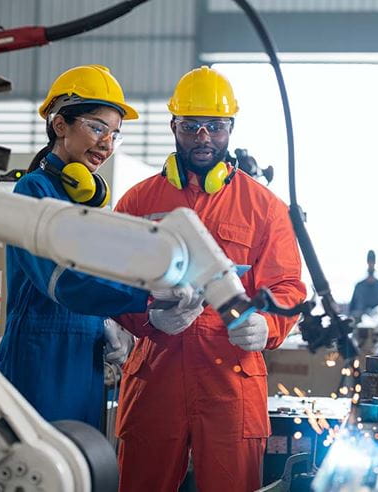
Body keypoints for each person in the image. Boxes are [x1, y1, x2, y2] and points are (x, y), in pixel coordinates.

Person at [113, 66, 306, 491]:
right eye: (192, 126)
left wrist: (267, 324)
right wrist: (147, 319)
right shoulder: (138, 201)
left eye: (215, 127)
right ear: (174, 127)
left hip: (231, 377)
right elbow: (111, 284)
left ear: (230, 128)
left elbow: (288, 286)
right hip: (156, 374)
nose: (204, 137)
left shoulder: (264, 207)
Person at [0, 65, 149, 428]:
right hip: (39, 353)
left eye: (115, 134)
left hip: (85, 352)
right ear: (60, 125)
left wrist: (107, 321)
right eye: (97, 127)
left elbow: (101, 273)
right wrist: (147, 294)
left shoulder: (88, 201)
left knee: (81, 463)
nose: (106, 144)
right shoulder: (33, 190)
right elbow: (62, 280)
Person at [348, 250, 378, 319]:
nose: (371, 263)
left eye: (372, 261)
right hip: (361, 321)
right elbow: (352, 309)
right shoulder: (359, 286)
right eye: (370, 261)